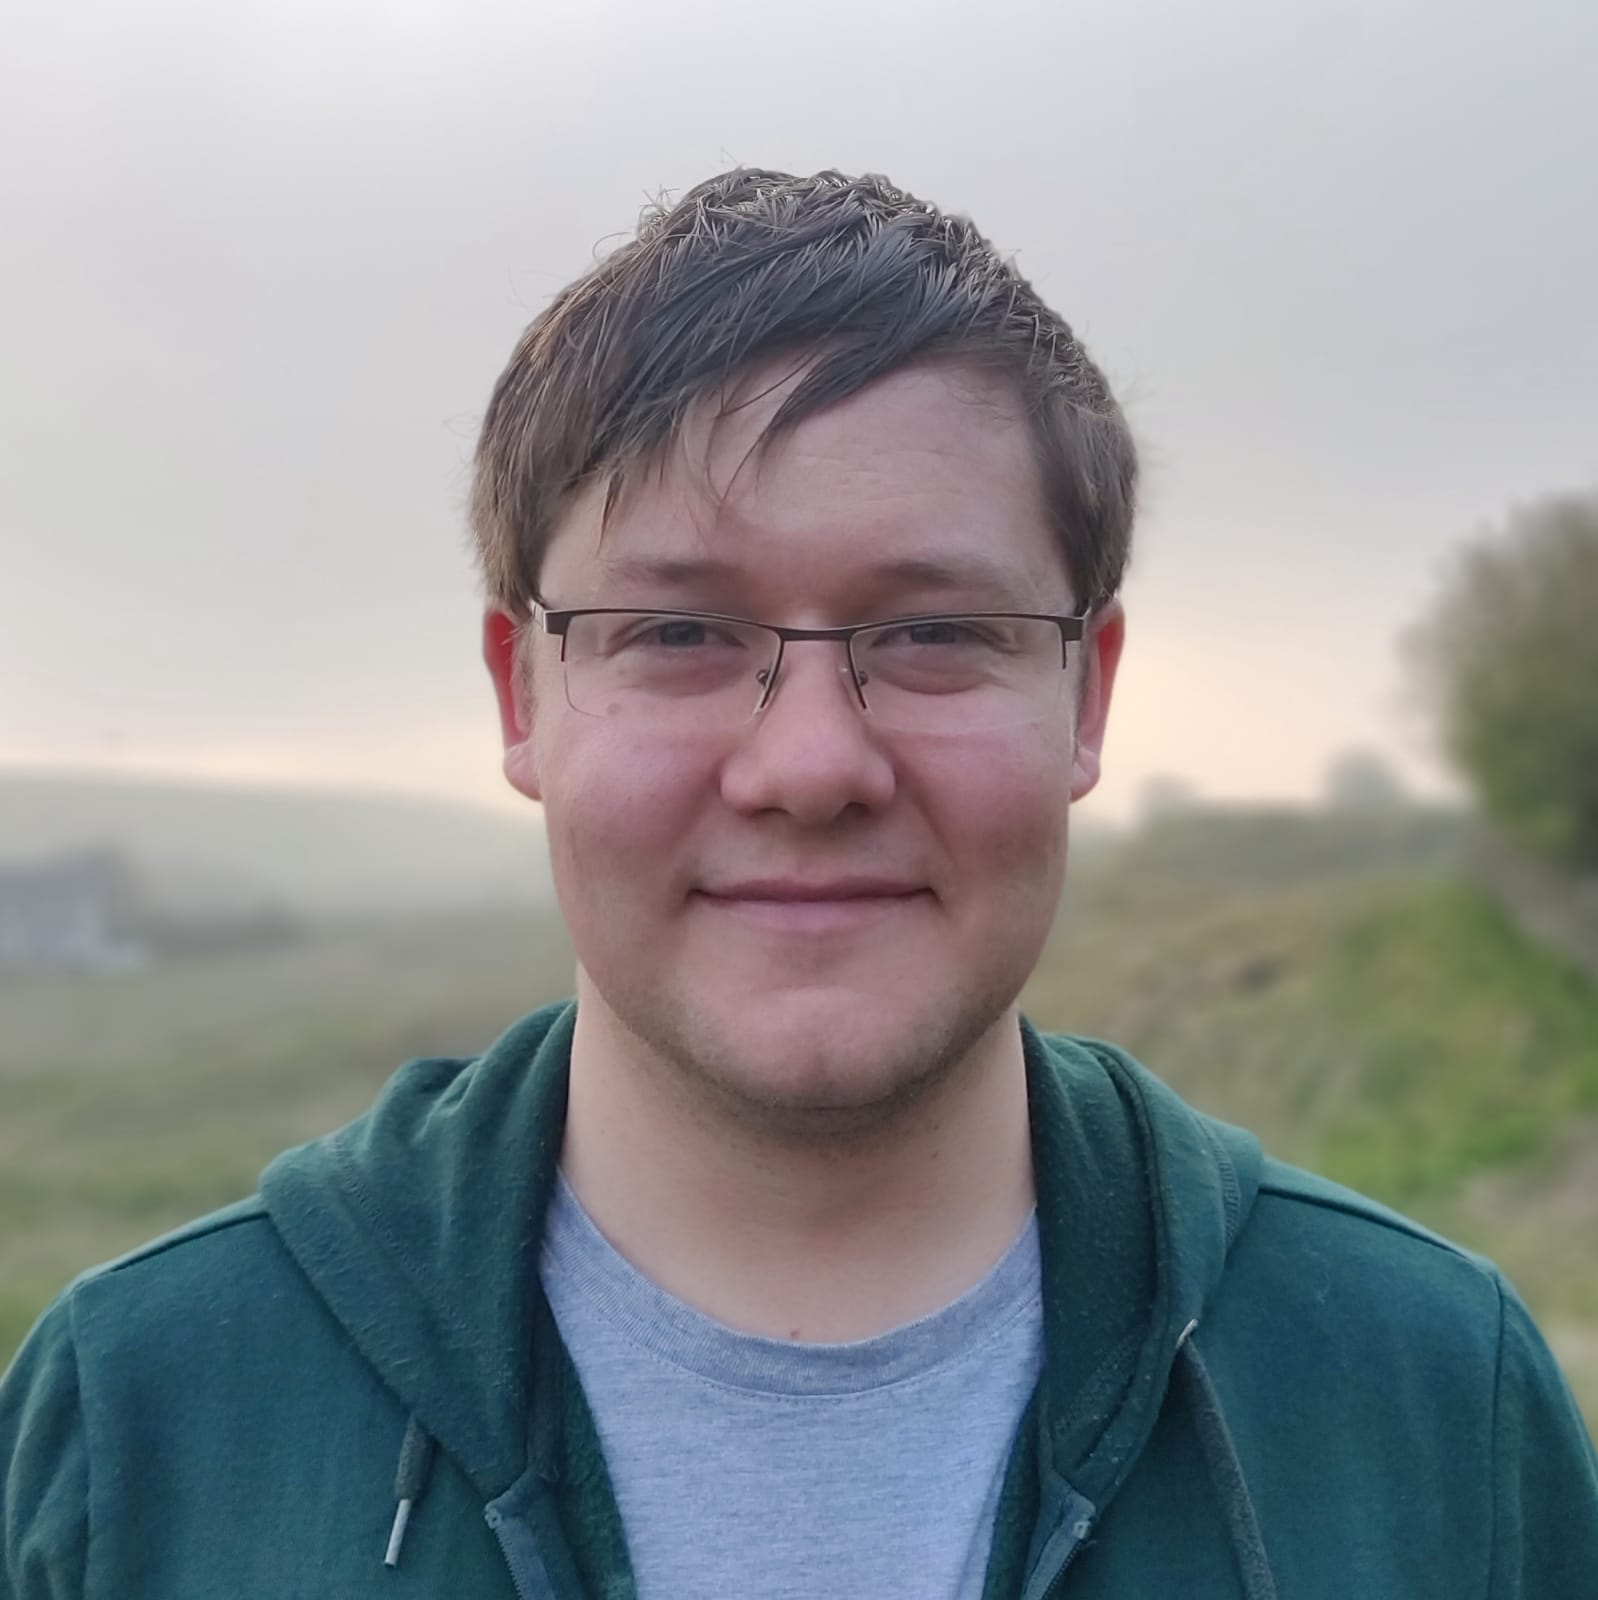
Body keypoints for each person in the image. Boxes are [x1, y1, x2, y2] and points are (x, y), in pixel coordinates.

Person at [2, 167, 1595, 1600]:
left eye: (936, 632)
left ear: (1085, 697)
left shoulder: (1430, 1401)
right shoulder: (137, 1421)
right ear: (519, 695)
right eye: (678, 633)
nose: (811, 765)